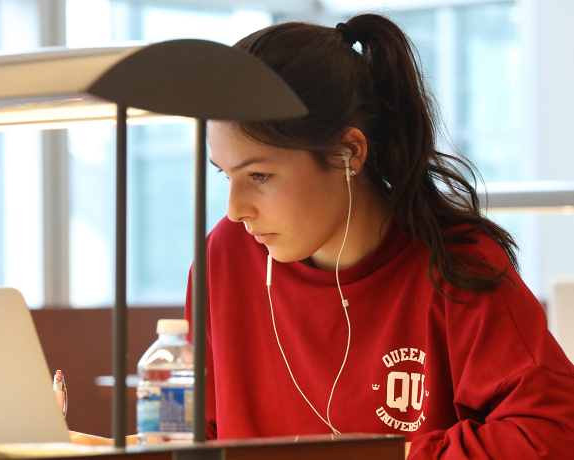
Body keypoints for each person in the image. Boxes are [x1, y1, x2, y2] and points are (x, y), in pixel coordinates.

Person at [184, 14, 574, 459]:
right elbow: (199, 437)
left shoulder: (457, 265)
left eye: (259, 175)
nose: (236, 210)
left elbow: (552, 432)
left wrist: (390, 455)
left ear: (348, 152)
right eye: (226, 176)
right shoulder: (224, 258)